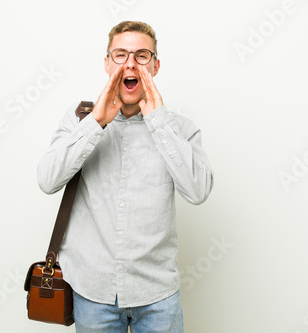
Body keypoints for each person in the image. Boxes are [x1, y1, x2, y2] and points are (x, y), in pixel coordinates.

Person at [37, 20, 214, 333]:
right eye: (120, 55)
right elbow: (48, 180)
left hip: (158, 296)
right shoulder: (79, 119)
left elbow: (198, 191)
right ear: (107, 63)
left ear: (155, 66)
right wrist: (95, 123)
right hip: (93, 293)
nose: (130, 63)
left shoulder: (181, 129)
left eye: (142, 56)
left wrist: (159, 122)